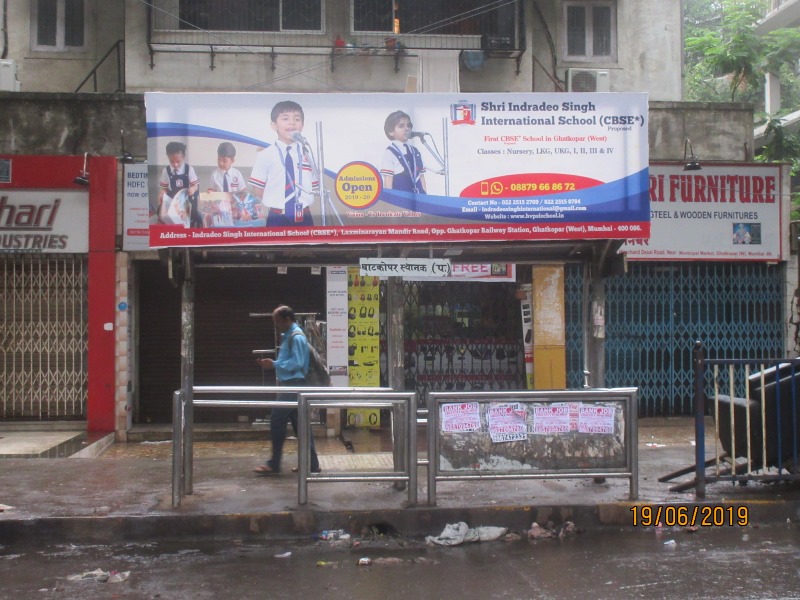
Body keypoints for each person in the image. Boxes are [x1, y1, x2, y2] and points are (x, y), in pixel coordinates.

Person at [254, 305, 321, 475]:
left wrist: (274, 364)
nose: (276, 325)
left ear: (287, 319)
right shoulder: (288, 336)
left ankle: (274, 464)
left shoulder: (296, 337)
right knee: (302, 426)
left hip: (294, 386)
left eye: (277, 322)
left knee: (277, 420)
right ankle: (312, 464)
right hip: (292, 385)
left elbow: (297, 363)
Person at [248, 100, 318, 227]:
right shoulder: (265, 155)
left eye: (297, 119)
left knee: (307, 246)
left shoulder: (307, 154)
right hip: (277, 217)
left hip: (304, 215)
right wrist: (279, 202)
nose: (292, 122)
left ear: (302, 126)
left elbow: (314, 187)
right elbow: (257, 189)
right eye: (285, 118)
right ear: (274, 125)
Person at [380, 110, 426, 194]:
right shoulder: (390, 152)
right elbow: (388, 180)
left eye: (409, 125)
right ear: (391, 132)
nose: (407, 128)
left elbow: (421, 177)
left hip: (418, 197)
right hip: (401, 198)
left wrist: (425, 198)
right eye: (401, 126)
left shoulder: (415, 151)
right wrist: (391, 200)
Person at [157, 141, 201, 227]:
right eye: (172, 162)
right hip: (173, 200)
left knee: (192, 215)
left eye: (178, 161)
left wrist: (192, 189)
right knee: (161, 212)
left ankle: (189, 226)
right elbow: (164, 188)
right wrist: (162, 194)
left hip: (187, 200)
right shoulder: (166, 171)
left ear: (183, 157)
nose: (175, 165)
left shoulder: (189, 169)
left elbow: (195, 186)